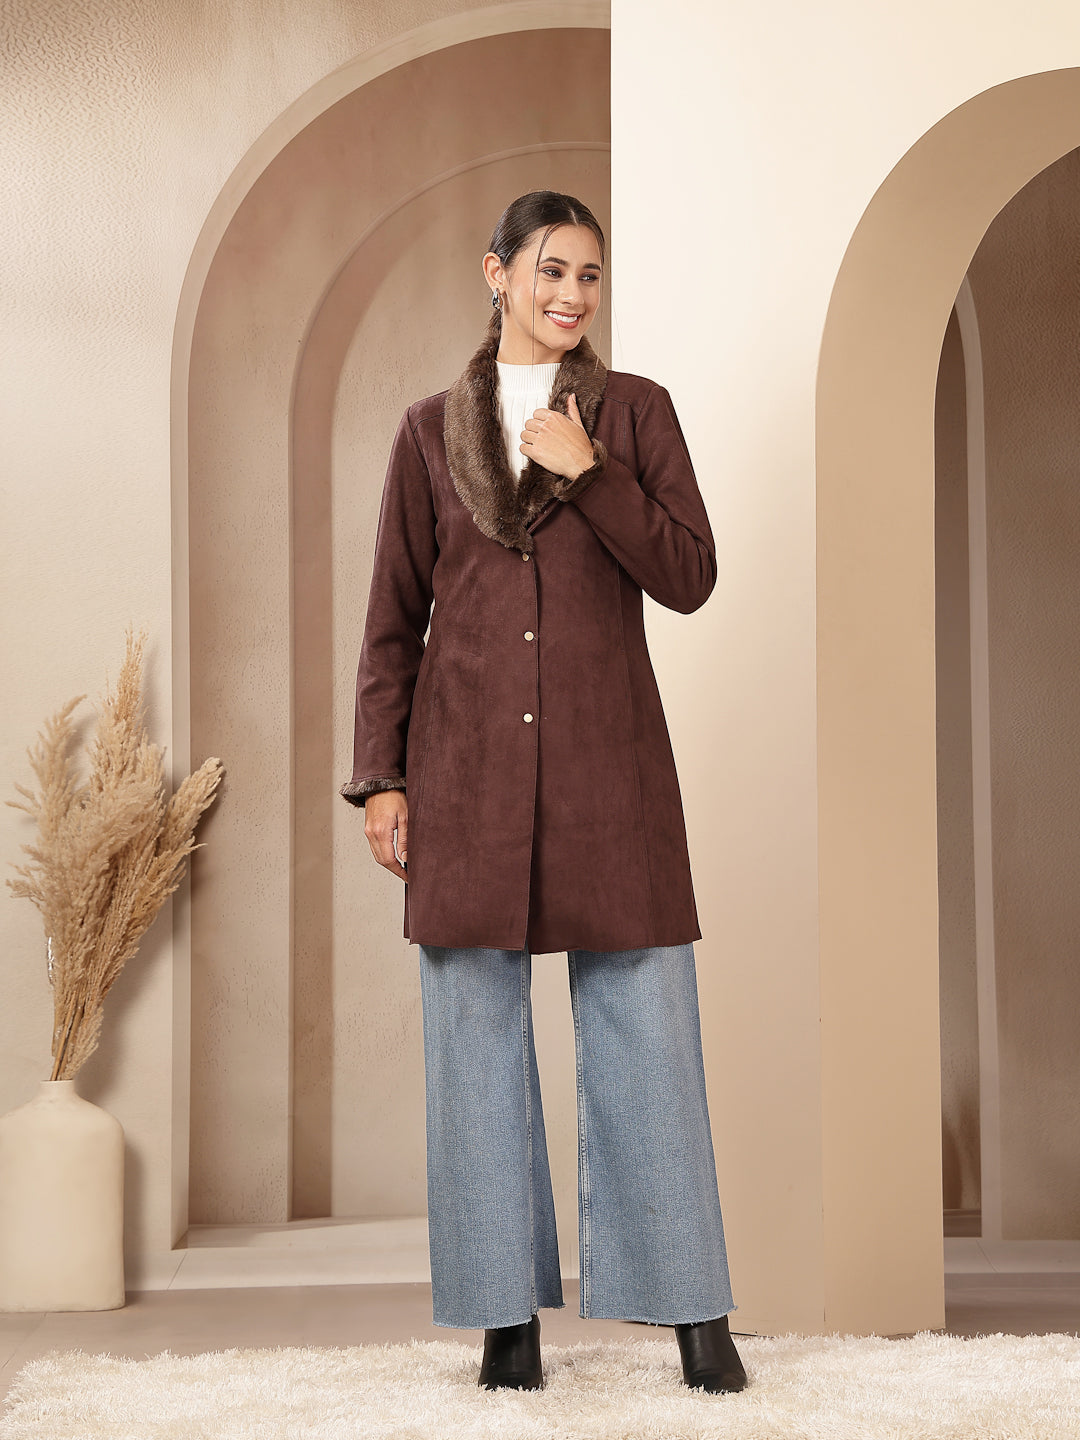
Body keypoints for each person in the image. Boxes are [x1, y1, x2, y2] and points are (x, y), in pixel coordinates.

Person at [341, 189, 746, 1396]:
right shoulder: (428, 433)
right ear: (498, 273)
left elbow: (690, 575)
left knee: (649, 1040)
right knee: (473, 1049)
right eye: (551, 270)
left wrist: (595, 473)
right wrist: (383, 779)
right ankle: (503, 1321)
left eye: (589, 276)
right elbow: (392, 619)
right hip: (464, 775)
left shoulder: (635, 412)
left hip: (609, 773)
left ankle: (695, 1314)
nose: (572, 295)